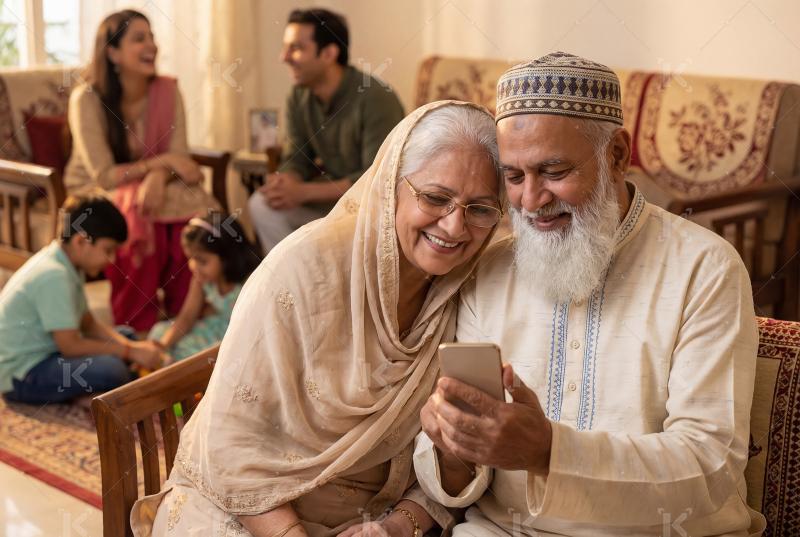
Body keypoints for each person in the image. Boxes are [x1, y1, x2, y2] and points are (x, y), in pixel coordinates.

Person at [415, 52, 765, 536]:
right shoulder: (488, 270)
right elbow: (458, 478)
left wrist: (547, 452)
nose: (531, 201)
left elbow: (710, 466)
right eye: (514, 177)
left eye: (554, 171)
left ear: (617, 156)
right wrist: (453, 447)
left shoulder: (704, 268)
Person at [131, 101, 504, 537]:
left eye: (480, 209)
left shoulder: (470, 290)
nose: (455, 227)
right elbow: (229, 447)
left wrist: (396, 528)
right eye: (436, 198)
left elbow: (450, 455)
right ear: (391, 187)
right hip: (241, 510)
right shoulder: (303, 270)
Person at [64, 9, 220, 331]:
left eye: (151, 37)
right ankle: (138, 325)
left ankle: (184, 320)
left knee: (195, 222)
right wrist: (159, 167)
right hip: (98, 191)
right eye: (139, 39)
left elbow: (179, 157)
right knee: (139, 219)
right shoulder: (87, 99)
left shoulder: (167, 91)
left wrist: (158, 175)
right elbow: (104, 175)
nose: (151, 45)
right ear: (113, 52)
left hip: (161, 185)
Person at [247, 8, 405, 254]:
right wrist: (287, 180)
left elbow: (378, 180)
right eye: (285, 47)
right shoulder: (299, 96)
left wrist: (303, 192)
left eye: (296, 48)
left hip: (372, 210)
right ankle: (292, 286)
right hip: (328, 203)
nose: (284, 57)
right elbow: (297, 158)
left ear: (329, 53)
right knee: (262, 204)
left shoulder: (377, 98)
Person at [0, 193, 166, 405]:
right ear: (80, 241)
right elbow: (70, 346)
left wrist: (132, 348)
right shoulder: (54, 275)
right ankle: (100, 391)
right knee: (113, 370)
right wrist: (131, 352)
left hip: (50, 353)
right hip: (21, 375)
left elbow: (87, 323)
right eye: (108, 250)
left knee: (128, 335)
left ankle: (107, 382)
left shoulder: (68, 264)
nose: (112, 260)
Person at [148, 212, 259, 362]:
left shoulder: (250, 283)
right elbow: (187, 317)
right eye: (190, 259)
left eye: (202, 261)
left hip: (237, 336)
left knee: (199, 357)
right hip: (212, 328)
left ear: (227, 257)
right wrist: (163, 345)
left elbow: (253, 328)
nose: (194, 267)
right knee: (159, 332)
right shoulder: (201, 280)